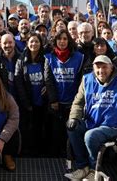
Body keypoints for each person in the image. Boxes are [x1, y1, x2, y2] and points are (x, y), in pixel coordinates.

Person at [45, 29, 84, 157]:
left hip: (73, 102)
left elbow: (81, 81)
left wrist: (77, 100)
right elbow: (48, 80)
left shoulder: (79, 57)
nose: (62, 41)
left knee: (71, 131)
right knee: (56, 132)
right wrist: (53, 100)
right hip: (57, 102)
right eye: (59, 39)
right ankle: (56, 156)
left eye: (65, 39)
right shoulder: (49, 57)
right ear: (55, 41)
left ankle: (70, 156)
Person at [14, 32, 48, 156]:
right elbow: (19, 83)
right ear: (27, 44)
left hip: (43, 101)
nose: (34, 44)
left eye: (37, 41)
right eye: (31, 41)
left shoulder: (46, 59)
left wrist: (47, 88)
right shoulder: (21, 60)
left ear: (41, 43)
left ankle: (41, 152)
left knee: (41, 128)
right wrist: (26, 103)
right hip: (27, 101)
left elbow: (50, 78)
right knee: (28, 128)